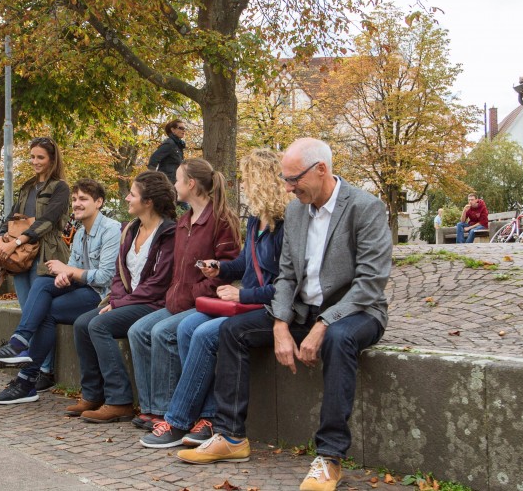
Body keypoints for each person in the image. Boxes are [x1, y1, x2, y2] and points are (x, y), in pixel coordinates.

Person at [178, 138, 392, 491]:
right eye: (285, 179)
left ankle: (329, 456)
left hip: (357, 311)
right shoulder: (295, 211)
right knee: (232, 331)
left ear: (322, 169)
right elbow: (287, 275)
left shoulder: (365, 208)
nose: (289, 187)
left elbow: (370, 283)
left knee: (338, 339)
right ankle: (232, 436)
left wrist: (323, 324)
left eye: (294, 179)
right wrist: (280, 323)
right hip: (301, 310)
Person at [140, 149, 289, 448]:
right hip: (242, 301)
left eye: (247, 178)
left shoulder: (285, 224)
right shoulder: (254, 220)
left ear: (262, 181)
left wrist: (242, 293)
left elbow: (285, 285)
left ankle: (178, 419)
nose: (243, 184)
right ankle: (206, 416)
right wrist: (219, 268)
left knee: (204, 332)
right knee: (184, 327)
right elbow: (242, 264)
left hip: (262, 305)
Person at [0, 179, 121, 404]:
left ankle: (24, 376)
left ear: (99, 202)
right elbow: (74, 267)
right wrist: (64, 276)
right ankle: (20, 346)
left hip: (102, 296)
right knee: (43, 282)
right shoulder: (80, 232)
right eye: (74, 199)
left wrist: (68, 270)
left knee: (46, 310)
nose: (76, 204)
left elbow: (106, 277)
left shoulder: (111, 229)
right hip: (83, 288)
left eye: (83, 199)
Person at [127, 158, 240, 427]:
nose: (174, 186)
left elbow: (229, 267)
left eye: (177, 180)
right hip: (177, 302)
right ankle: (151, 405)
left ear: (191, 184)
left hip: (203, 302)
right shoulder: (183, 222)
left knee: (163, 332)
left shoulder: (221, 219)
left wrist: (196, 291)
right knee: (137, 331)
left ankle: (167, 409)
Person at [67, 171, 177, 422]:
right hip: (127, 301)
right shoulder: (130, 230)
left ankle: (120, 401)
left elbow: (159, 283)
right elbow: (119, 274)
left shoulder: (169, 233)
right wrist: (116, 299)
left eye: (133, 194)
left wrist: (119, 304)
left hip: (153, 304)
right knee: (82, 324)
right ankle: (93, 394)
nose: (127, 198)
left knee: (99, 325)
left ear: (148, 202)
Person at [0, 137, 71, 391]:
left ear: (51, 159)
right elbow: (13, 216)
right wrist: (1, 238)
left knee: (39, 313)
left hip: (46, 254)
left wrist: (15, 242)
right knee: (28, 310)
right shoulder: (27, 186)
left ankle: (44, 371)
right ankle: (32, 366)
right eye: (32, 157)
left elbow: (48, 220)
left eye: (41, 157)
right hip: (21, 257)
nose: (35, 162)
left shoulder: (60, 187)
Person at [147, 119, 187, 184]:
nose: (183, 130)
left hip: (175, 181)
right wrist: (152, 179)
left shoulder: (178, 145)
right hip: (167, 182)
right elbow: (154, 159)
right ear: (173, 130)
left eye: (184, 128)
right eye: (181, 128)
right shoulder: (170, 144)